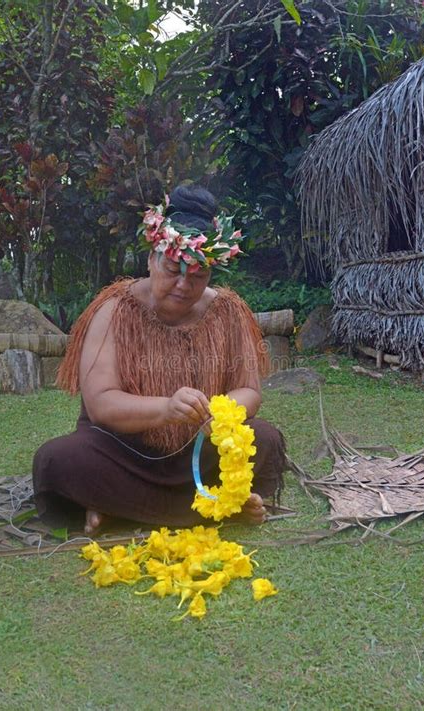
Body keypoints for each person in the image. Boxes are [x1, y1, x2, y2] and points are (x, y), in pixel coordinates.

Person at [32, 185, 286, 535]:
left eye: (197, 276)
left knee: (265, 438)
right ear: (152, 258)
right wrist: (165, 409)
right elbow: (101, 404)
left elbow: (249, 392)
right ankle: (221, 504)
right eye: (172, 269)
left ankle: (115, 508)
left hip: (198, 450)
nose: (183, 285)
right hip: (123, 454)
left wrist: (219, 412)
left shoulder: (228, 311)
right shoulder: (113, 310)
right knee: (58, 458)